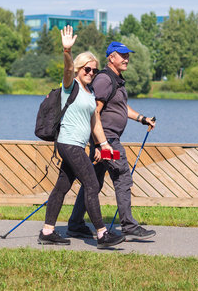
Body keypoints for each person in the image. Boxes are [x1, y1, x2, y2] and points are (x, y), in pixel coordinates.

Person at [38, 25, 125, 249]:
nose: (90, 73)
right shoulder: (71, 86)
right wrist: (67, 52)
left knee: (61, 187)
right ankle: (102, 234)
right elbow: (67, 71)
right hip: (69, 144)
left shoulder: (89, 93)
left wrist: (103, 145)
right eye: (86, 69)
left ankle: (47, 231)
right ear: (78, 69)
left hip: (77, 146)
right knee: (92, 184)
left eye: (94, 71)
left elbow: (94, 121)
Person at [67, 41, 157, 241]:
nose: (126, 59)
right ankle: (128, 225)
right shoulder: (105, 80)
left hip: (106, 140)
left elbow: (122, 108)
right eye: (122, 55)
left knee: (94, 182)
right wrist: (100, 144)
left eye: (128, 55)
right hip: (107, 140)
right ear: (111, 57)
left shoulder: (116, 80)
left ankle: (75, 224)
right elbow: (94, 110)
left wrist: (143, 119)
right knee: (122, 175)